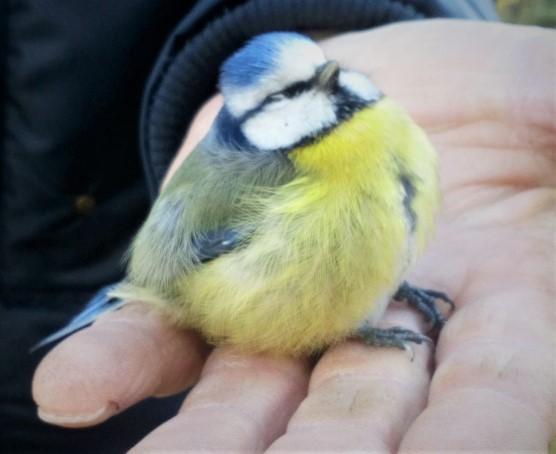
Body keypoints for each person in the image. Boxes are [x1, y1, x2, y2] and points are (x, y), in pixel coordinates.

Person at [31, 19, 555, 452]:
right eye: (296, 89)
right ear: (258, 118)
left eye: (324, 68)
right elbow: (179, 264)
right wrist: (351, 325)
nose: (328, 78)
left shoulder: (383, 125)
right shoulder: (267, 177)